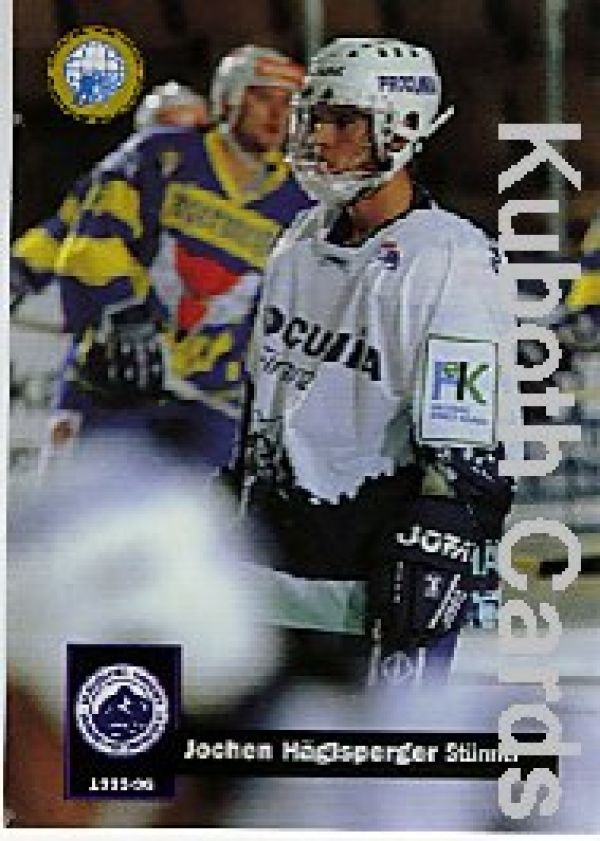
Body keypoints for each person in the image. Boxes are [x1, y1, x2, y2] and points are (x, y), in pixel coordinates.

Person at [236, 37, 517, 686]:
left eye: (343, 121)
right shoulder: (297, 241)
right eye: (315, 117)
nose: (318, 137)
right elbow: (265, 394)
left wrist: (443, 539)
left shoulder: (449, 259)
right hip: (273, 575)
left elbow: (467, 444)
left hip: (371, 585)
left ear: (403, 128)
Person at [12, 48, 312, 467]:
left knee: (198, 510)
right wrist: (119, 313)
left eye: (289, 103)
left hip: (213, 400)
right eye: (263, 97)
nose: (277, 115)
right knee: (77, 501)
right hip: (118, 377)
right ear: (228, 98)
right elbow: (91, 235)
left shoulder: (301, 199)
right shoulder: (162, 154)